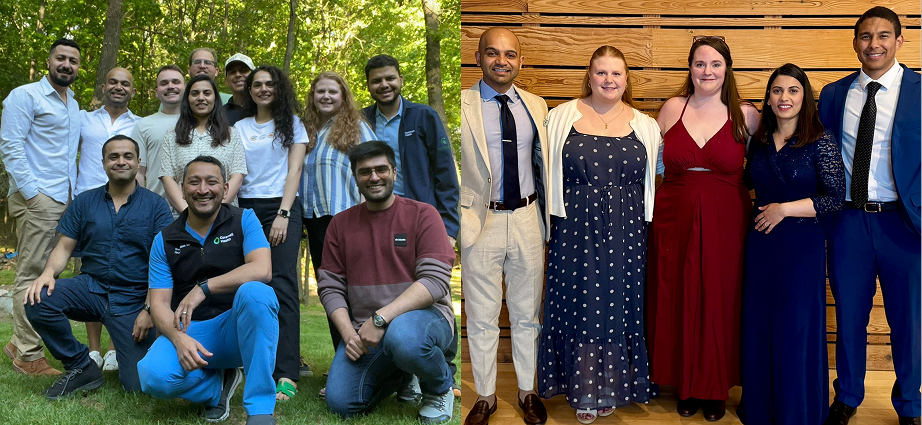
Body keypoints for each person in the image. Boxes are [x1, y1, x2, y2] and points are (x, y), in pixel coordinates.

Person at [539, 45, 661, 424]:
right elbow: (544, 173)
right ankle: (581, 388)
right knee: (578, 303)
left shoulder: (645, 124)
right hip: (573, 226)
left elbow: (655, 179)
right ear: (589, 76)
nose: (609, 80)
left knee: (616, 306)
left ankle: (610, 384)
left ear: (627, 79)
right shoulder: (560, 117)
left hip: (627, 230)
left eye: (616, 74)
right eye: (601, 73)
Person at [645, 35, 760, 421]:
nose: (707, 71)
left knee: (719, 298)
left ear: (727, 68)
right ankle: (684, 383)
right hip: (673, 216)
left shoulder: (747, 114)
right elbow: (651, 167)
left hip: (727, 217)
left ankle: (713, 387)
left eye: (714, 64)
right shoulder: (672, 108)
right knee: (677, 293)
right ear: (690, 69)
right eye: (699, 64)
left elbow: (765, 165)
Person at [818, 7, 921, 425]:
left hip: (904, 224)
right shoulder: (834, 94)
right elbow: (819, 155)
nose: (873, 43)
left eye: (883, 36)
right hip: (849, 222)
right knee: (849, 315)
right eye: (864, 36)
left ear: (899, 41)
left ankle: (911, 405)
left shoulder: (919, 89)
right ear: (854, 42)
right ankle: (848, 397)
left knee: (908, 322)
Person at [23, 135, 173, 399]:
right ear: (103, 162)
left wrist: (150, 308)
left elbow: (161, 262)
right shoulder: (84, 202)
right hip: (90, 288)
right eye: (113, 156)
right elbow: (64, 247)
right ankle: (81, 366)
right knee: (38, 300)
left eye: (128, 156)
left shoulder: (155, 205)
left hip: (132, 300)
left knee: (138, 386)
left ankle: (136, 357)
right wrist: (47, 274)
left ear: (138, 162)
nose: (121, 161)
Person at [319, 141, 456, 424]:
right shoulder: (340, 225)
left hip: (423, 321)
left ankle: (440, 388)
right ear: (355, 177)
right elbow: (330, 286)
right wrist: (348, 334)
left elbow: (435, 281)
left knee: (404, 338)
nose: (374, 177)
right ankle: (402, 374)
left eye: (381, 169)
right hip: (366, 331)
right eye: (365, 172)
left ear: (394, 171)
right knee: (341, 403)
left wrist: (381, 319)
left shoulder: (423, 214)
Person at [738, 63, 844, 424]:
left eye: (793, 90)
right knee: (760, 324)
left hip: (801, 248)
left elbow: (835, 197)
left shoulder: (821, 140)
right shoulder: (761, 140)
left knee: (795, 327)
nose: (785, 98)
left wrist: (785, 209)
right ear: (768, 98)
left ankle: (795, 410)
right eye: (778, 91)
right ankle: (761, 407)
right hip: (761, 246)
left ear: (805, 97)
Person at [137, 155, 279, 425]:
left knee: (257, 293)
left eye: (211, 182)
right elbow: (158, 305)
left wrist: (203, 288)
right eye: (194, 182)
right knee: (151, 376)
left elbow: (262, 269)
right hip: (193, 331)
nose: (203, 189)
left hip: (238, 329)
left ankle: (260, 409)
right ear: (182, 188)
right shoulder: (164, 239)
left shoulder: (244, 219)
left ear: (225, 189)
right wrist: (179, 340)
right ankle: (217, 386)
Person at [460, 27, 549, 425]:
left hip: (529, 218)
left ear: (521, 61)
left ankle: (528, 392)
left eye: (510, 54)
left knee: (527, 313)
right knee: (480, 315)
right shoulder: (460, 104)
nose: (502, 61)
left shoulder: (537, 105)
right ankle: (486, 397)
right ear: (478, 57)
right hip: (481, 221)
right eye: (493, 53)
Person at [362, 53, 462, 400]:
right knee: (392, 294)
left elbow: (446, 175)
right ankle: (402, 374)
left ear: (400, 79)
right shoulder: (362, 122)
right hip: (377, 221)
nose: (384, 85)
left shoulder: (423, 116)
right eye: (376, 80)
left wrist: (449, 228)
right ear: (369, 85)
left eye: (390, 78)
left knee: (433, 292)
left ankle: (441, 373)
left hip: (423, 221)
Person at [1, 38, 82, 376]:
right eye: (60, 58)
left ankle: (17, 343)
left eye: (73, 61)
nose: (66, 65)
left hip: (64, 197)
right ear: (49, 61)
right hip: (40, 198)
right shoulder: (25, 96)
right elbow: (10, 144)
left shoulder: (72, 103)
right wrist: (33, 195)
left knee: (51, 271)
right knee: (31, 273)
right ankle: (29, 357)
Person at [235, 65, 308, 401]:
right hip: (245, 210)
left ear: (279, 89)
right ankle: (247, 364)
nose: (263, 89)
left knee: (282, 284)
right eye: (257, 85)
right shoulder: (239, 126)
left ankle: (286, 372)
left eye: (269, 84)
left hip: (281, 208)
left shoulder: (292, 123)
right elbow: (235, 171)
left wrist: (283, 212)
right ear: (249, 90)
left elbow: (294, 169)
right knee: (247, 284)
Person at [301, 71, 375, 352]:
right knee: (330, 292)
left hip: (349, 219)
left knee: (357, 289)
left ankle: (371, 354)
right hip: (316, 222)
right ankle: (344, 355)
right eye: (321, 91)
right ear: (313, 96)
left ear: (343, 96)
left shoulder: (355, 127)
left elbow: (375, 171)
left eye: (333, 91)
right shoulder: (306, 131)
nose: (326, 96)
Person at [75, 66, 141, 371]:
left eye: (125, 83)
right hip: (87, 205)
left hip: (126, 205)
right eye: (113, 82)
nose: (118, 87)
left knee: (125, 274)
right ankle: (94, 350)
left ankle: (116, 348)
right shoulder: (83, 120)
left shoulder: (139, 125)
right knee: (91, 275)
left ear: (133, 90)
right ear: (104, 87)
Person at [159, 74, 247, 213]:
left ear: (215, 99)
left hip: (224, 217)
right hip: (182, 216)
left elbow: (238, 174)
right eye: (195, 93)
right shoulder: (172, 136)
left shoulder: (231, 134)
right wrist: (189, 214)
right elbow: (167, 177)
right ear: (187, 99)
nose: (201, 98)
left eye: (207, 93)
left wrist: (217, 212)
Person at [132, 64, 186, 200]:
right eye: (164, 83)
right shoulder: (143, 125)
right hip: (158, 206)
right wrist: (141, 204)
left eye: (176, 82)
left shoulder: (199, 122)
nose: (170, 86)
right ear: (156, 92)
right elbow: (138, 172)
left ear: (185, 88)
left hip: (197, 205)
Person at [223, 53, 255, 125]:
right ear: (226, 81)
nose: (238, 75)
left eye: (243, 70)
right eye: (232, 72)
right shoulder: (219, 115)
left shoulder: (264, 109)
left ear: (254, 76)